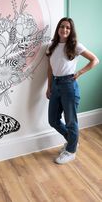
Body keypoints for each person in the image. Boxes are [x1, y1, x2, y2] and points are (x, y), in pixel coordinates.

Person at [46, 17, 99, 164]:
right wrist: (49, 86)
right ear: (58, 28)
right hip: (56, 85)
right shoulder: (51, 45)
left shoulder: (75, 46)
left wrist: (80, 73)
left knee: (71, 121)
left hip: (69, 85)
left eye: (68, 28)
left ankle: (70, 151)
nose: (64, 29)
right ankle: (72, 141)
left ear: (71, 30)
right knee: (53, 120)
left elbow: (95, 60)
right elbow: (50, 68)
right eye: (62, 26)